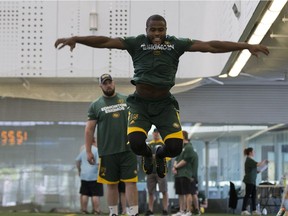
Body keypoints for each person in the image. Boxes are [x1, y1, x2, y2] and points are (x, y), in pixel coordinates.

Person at [55, 14, 270, 179]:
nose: (157, 34)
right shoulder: (136, 42)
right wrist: (77, 39)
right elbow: (104, 41)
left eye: (161, 30)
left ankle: (159, 155)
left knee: (175, 148)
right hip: (140, 104)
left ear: (166, 29)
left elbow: (210, 46)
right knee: (136, 143)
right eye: (153, 30)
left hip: (165, 105)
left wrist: (246, 46)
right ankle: (148, 154)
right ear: (146, 29)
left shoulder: (175, 44)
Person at [82, 74, 139, 216]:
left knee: (131, 182)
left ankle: (134, 213)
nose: (108, 85)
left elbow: (138, 120)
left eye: (110, 82)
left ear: (114, 83)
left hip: (128, 149)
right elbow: (89, 129)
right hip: (107, 152)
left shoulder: (127, 100)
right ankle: (113, 213)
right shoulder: (96, 105)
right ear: (100, 86)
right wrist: (88, 151)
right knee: (111, 184)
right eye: (105, 83)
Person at [172, 130, 198, 216]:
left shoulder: (189, 147)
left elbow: (185, 160)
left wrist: (176, 167)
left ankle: (188, 211)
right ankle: (181, 210)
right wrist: (174, 167)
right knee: (180, 193)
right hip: (178, 174)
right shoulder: (180, 148)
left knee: (187, 193)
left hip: (185, 174)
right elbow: (176, 159)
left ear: (183, 136)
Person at [145, 128, 169, 216]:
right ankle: (150, 210)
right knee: (150, 191)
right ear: (152, 134)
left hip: (161, 171)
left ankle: (165, 209)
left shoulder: (163, 144)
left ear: (159, 133)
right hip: (151, 171)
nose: (156, 134)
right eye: (154, 133)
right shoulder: (149, 145)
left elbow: (168, 156)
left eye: (157, 133)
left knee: (164, 190)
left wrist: (159, 157)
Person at [75, 137, 103, 214]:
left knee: (84, 193)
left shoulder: (84, 150)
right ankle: (96, 210)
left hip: (84, 175)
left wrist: (80, 170)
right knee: (95, 194)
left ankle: (83, 210)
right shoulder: (96, 150)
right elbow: (98, 164)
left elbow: (77, 161)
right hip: (94, 176)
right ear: (94, 141)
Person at [241, 147, 268, 216]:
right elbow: (258, 164)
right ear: (250, 153)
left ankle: (254, 210)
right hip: (249, 180)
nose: (254, 153)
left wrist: (260, 170)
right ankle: (243, 210)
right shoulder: (249, 160)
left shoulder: (251, 160)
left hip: (252, 181)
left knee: (253, 195)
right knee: (247, 195)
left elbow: (255, 170)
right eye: (253, 152)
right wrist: (264, 161)